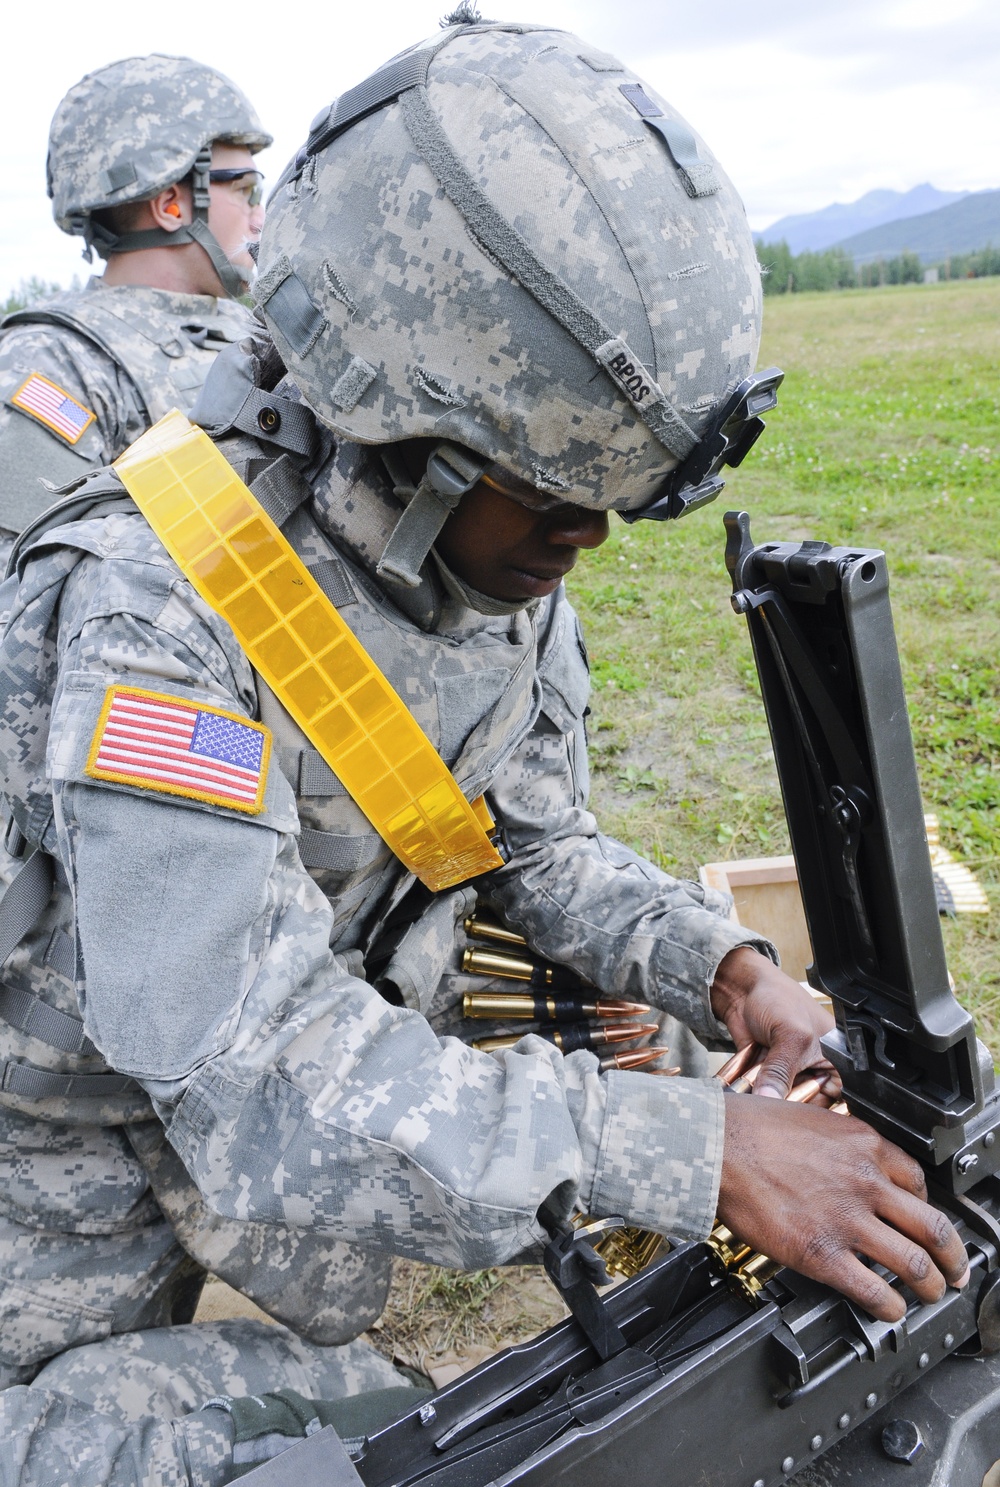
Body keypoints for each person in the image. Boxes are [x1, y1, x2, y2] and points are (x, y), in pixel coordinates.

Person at [0, 21, 969, 1486]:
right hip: (51, 1170)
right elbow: (252, 1072)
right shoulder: (161, 602)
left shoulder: (466, 566)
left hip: (186, 1136)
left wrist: (728, 970)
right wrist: (699, 1151)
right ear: (404, 434)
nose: (584, 540)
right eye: (555, 500)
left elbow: (522, 839)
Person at [0, 54, 270, 552]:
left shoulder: (259, 331)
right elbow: (21, 594)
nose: (259, 218)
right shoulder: (54, 360)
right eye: (246, 190)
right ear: (172, 205)